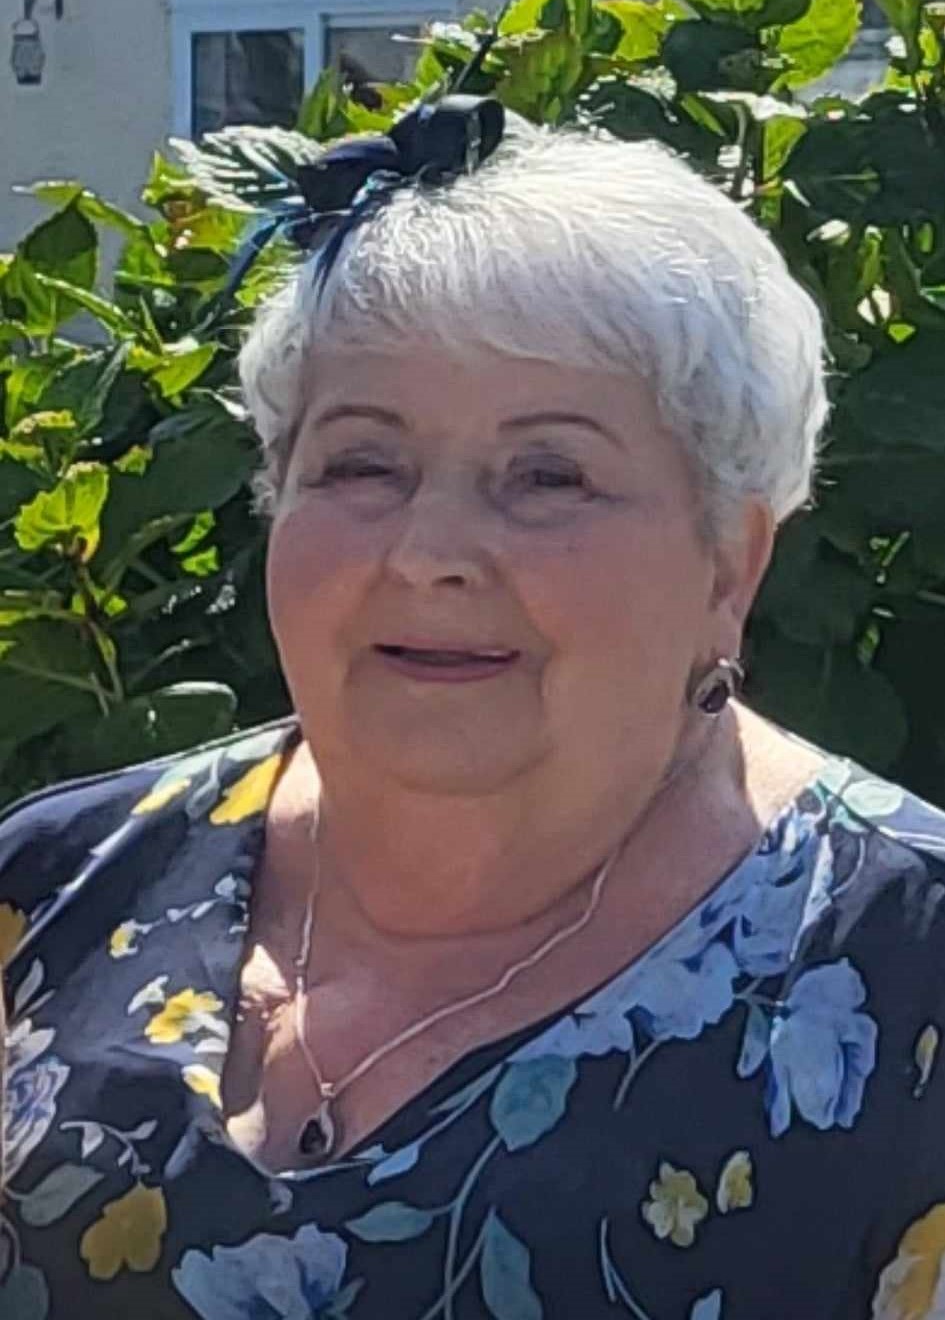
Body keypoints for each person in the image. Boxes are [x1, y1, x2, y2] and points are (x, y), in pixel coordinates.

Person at [1, 105, 944, 1320]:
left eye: (548, 475)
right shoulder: (55, 886)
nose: (428, 552)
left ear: (729, 562)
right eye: (363, 464)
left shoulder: (909, 967)